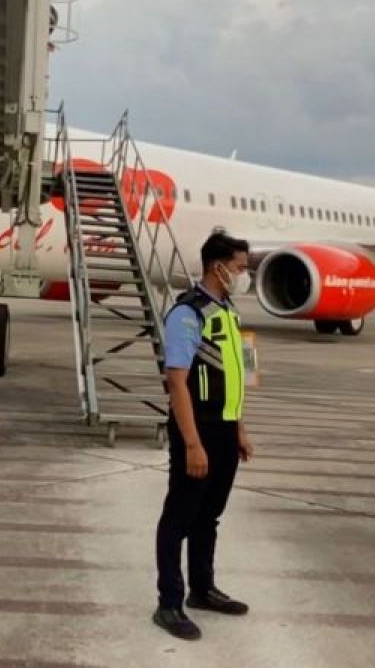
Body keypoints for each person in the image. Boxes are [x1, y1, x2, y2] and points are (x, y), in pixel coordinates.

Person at [153, 230, 255, 640]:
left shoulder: (231, 313)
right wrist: (192, 443)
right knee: (179, 517)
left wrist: (241, 428)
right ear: (219, 267)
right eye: (241, 268)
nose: (244, 275)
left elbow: (242, 376)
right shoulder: (187, 313)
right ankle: (169, 603)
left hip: (226, 430)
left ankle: (202, 589)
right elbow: (176, 381)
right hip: (198, 431)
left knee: (209, 517)